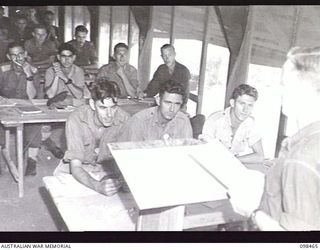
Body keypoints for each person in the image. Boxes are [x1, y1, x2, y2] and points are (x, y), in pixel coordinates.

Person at [230, 46, 320, 231]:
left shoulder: (302, 156)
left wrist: (251, 211)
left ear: (306, 90)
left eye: (285, 84)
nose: (280, 91)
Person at [53, 79, 130, 196]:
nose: (109, 115)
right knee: (63, 195)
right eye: (103, 108)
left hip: (107, 167)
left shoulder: (124, 119)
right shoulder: (76, 119)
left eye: (113, 107)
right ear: (93, 104)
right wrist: (97, 186)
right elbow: (76, 167)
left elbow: (126, 160)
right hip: (78, 167)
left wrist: (123, 179)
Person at [201, 84, 265, 172]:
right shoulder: (215, 120)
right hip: (211, 166)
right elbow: (204, 153)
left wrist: (234, 160)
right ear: (232, 103)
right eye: (242, 103)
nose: (245, 110)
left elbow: (260, 156)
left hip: (232, 167)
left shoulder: (250, 123)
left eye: (250, 105)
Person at [43, 43, 91, 160]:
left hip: (72, 106)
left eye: (69, 56)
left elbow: (79, 94)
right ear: (58, 57)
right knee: (43, 128)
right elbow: (50, 95)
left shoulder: (78, 71)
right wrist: (57, 76)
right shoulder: (50, 71)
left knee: (84, 125)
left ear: (74, 58)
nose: (66, 60)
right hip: (58, 106)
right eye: (63, 56)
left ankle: (79, 152)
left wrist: (65, 79)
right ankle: (51, 145)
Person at [0, 42, 42, 175]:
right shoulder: (3, 69)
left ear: (25, 54)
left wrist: (28, 75)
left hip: (25, 106)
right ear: (8, 56)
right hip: (4, 107)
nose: (18, 58)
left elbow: (31, 96)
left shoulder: (33, 70)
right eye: (13, 55)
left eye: (20, 54)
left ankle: (32, 160)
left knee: (35, 125)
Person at [119, 79, 193, 141]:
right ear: (158, 100)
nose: (172, 109)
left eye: (177, 104)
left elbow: (187, 151)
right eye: (167, 103)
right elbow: (129, 155)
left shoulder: (183, 121)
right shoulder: (139, 121)